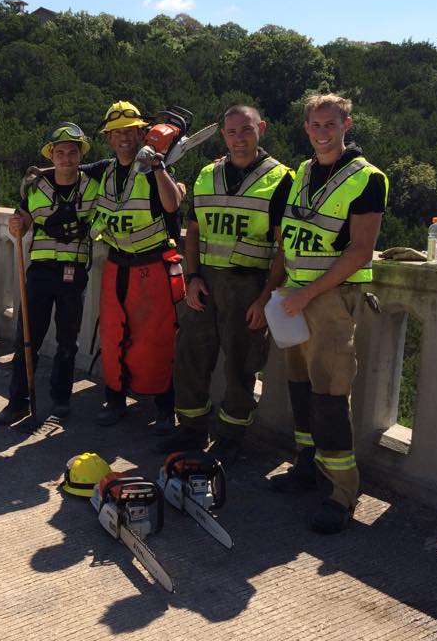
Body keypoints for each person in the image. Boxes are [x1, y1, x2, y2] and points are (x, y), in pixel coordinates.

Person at [269, 94, 388, 535]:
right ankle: (306, 466)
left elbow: (360, 250)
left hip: (331, 300)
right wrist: (281, 289)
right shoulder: (300, 173)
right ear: (306, 129)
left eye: (330, 124)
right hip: (295, 297)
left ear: (346, 124)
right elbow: (288, 240)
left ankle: (341, 493)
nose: (322, 133)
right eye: (315, 126)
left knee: (331, 396)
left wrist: (307, 294)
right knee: (300, 389)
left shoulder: (367, 178)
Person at [159, 105, 294, 461]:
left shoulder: (281, 179)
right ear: (223, 135)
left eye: (246, 130)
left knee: (241, 363)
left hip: (247, 285)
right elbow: (194, 232)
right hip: (205, 282)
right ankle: (190, 429)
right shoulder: (207, 174)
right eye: (231, 132)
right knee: (190, 356)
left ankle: (232, 435)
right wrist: (191, 278)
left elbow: (283, 248)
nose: (239, 138)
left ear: (260, 129)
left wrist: (265, 297)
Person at [88, 100, 185, 433]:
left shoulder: (156, 167)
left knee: (157, 339)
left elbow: (172, 204)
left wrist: (158, 167)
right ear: (109, 139)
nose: (123, 139)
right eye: (116, 134)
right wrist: (40, 174)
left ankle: (163, 408)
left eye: (130, 132)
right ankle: (115, 400)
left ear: (142, 133)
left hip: (153, 264)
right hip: (117, 265)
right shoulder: (104, 170)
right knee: (114, 335)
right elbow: (71, 174)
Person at [0, 123, 100, 425]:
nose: (66, 158)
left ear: (81, 156)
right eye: (61, 153)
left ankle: (61, 400)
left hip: (73, 272)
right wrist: (18, 226)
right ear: (52, 156)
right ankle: (17, 402)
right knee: (27, 339)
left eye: (72, 153)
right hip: (40, 272)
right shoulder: (35, 187)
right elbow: (24, 220)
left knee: (68, 342)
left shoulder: (94, 187)